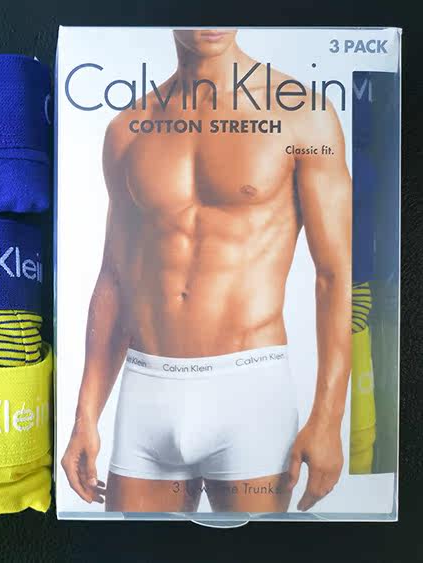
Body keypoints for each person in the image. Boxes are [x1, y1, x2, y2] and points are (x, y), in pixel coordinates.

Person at [61, 29, 351, 513]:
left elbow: (335, 275)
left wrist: (329, 416)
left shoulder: (302, 114)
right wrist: (85, 415)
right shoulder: (129, 128)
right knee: (130, 550)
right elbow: (113, 278)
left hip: (251, 391)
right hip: (148, 390)